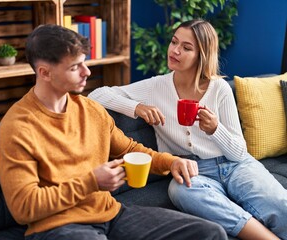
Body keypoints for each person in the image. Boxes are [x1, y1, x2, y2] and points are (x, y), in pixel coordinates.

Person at [0, 24, 227, 240]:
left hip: (111, 215)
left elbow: (130, 149)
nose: (87, 72)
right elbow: (23, 208)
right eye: (75, 67)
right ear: (45, 73)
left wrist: (171, 161)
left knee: (209, 233)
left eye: (85, 63)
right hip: (58, 227)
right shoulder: (17, 127)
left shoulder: (91, 110)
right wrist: (91, 182)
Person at [88, 19, 287, 240]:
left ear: (202, 55)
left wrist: (216, 130)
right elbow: (97, 94)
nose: (175, 50)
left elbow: (239, 153)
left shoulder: (219, 88)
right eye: (174, 42)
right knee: (180, 191)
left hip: (234, 165)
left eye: (186, 47)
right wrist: (136, 107)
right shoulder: (156, 86)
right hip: (192, 170)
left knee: (281, 206)